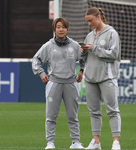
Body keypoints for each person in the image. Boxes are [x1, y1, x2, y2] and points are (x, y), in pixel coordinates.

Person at [32, 17, 85, 149]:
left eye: (63, 27)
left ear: (67, 29)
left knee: (73, 115)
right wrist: (41, 73)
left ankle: (76, 142)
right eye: (58, 27)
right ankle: (50, 142)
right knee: (51, 115)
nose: (61, 29)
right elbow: (36, 59)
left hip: (71, 84)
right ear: (54, 29)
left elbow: (84, 58)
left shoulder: (74, 45)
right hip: (54, 83)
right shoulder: (48, 46)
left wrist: (81, 71)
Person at [80, 7, 121, 150]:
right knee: (94, 111)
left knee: (112, 110)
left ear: (98, 17)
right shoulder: (89, 35)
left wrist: (94, 48)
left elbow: (114, 54)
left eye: (90, 21)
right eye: (87, 21)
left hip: (107, 77)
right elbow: (85, 57)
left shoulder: (111, 33)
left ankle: (116, 141)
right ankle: (96, 142)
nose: (89, 24)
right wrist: (82, 51)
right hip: (90, 78)